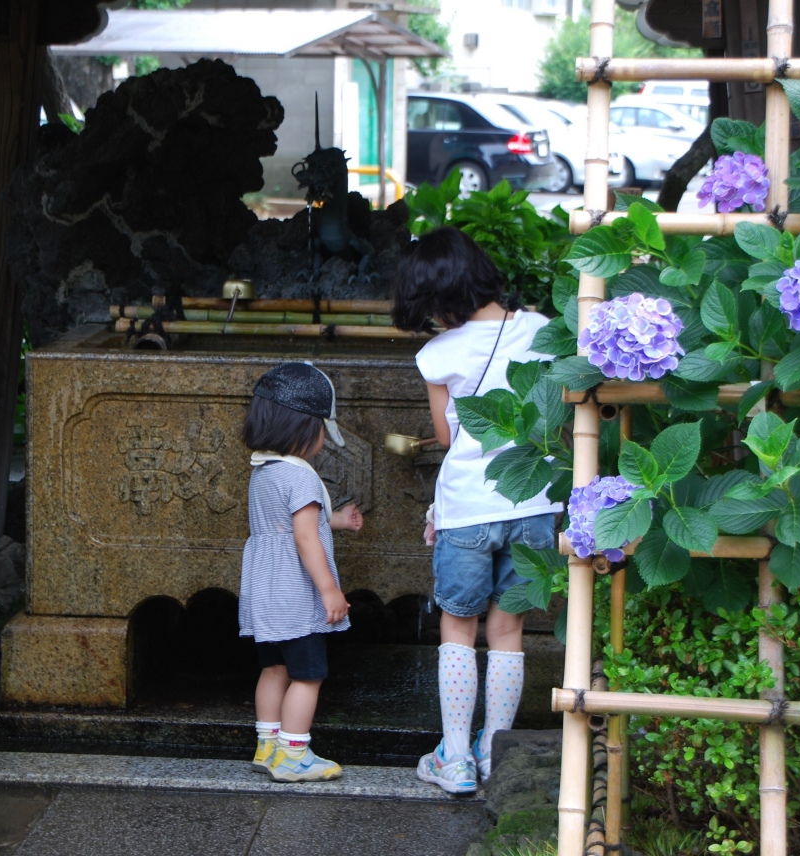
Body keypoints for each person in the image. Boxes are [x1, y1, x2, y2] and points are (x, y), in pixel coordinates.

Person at [393, 227, 562, 795]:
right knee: (508, 629)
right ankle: (497, 751)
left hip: (466, 507)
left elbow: (445, 436)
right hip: (535, 499)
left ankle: (456, 758)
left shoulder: (438, 353)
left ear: (440, 297)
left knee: (458, 627)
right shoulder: (542, 331)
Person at [239, 362, 365, 783]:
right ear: (302, 428)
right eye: (320, 431)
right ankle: (294, 753)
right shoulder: (301, 477)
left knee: (272, 669)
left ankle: (268, 746)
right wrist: (330, 590)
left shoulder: (263, 472)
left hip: (264, 594)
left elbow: (288, 526)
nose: (322, 441)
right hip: (296, 596)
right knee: (309, 675)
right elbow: (305, 539)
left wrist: (338, 521)